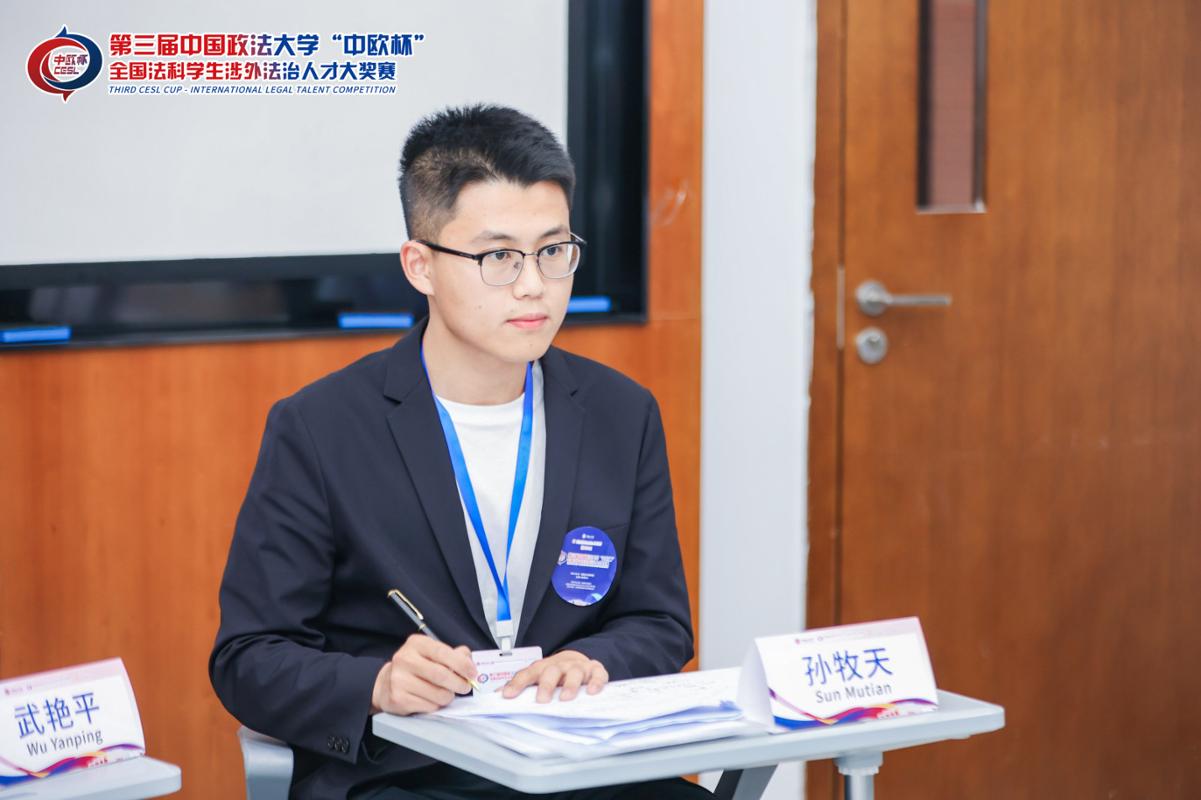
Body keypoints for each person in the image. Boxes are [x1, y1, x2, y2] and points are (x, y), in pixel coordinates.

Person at [209, 104, 709, 799]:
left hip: (575, 764)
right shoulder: (321, 427)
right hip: (410, 776)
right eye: (498, 257)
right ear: (420, 266)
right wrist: (378, 684)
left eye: (553, 250)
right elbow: (248, 657)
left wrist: (593, 660)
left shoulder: (621, 413)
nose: (533, 284)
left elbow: (658, 621)